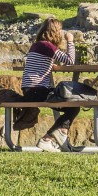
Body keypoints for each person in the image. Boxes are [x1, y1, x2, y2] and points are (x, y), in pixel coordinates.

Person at [21, 18, 77, 152]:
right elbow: (70, 61)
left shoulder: (37, 45)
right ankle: (48, 138)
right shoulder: (47, 46)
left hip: (30, 90)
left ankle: (59, 134)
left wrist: (51, 63)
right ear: (55, 32)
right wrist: (70, 40)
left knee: (70, 103)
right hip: (37, 90)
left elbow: (41, 63)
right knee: (73, 106)